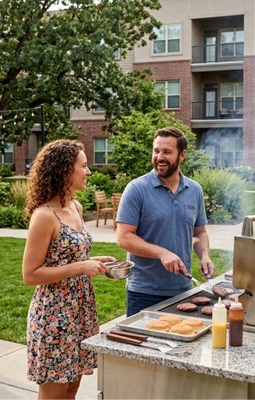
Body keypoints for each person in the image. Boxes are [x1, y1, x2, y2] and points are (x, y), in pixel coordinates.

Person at [22, 139, 114, 400]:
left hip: (80, 310)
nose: (89, 171)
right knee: (54, 392)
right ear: (64, 171)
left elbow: (65, 257)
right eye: (83, 166)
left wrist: (94, 262)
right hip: (54, 314)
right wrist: (80, 266)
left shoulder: (75, 207)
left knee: (72, 388)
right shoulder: (44, 215)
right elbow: (30, 274)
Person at [116, 127, 215, 317]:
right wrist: (161, 253)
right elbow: (124, 238)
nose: (160, 157)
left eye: (167, 152)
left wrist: (205, 256)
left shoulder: (194, 190)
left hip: (183, 290)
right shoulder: (136, 189)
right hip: (144, 292)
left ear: (182, 155)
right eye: (156, 151)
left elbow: (199, 233)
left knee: (181, 345)